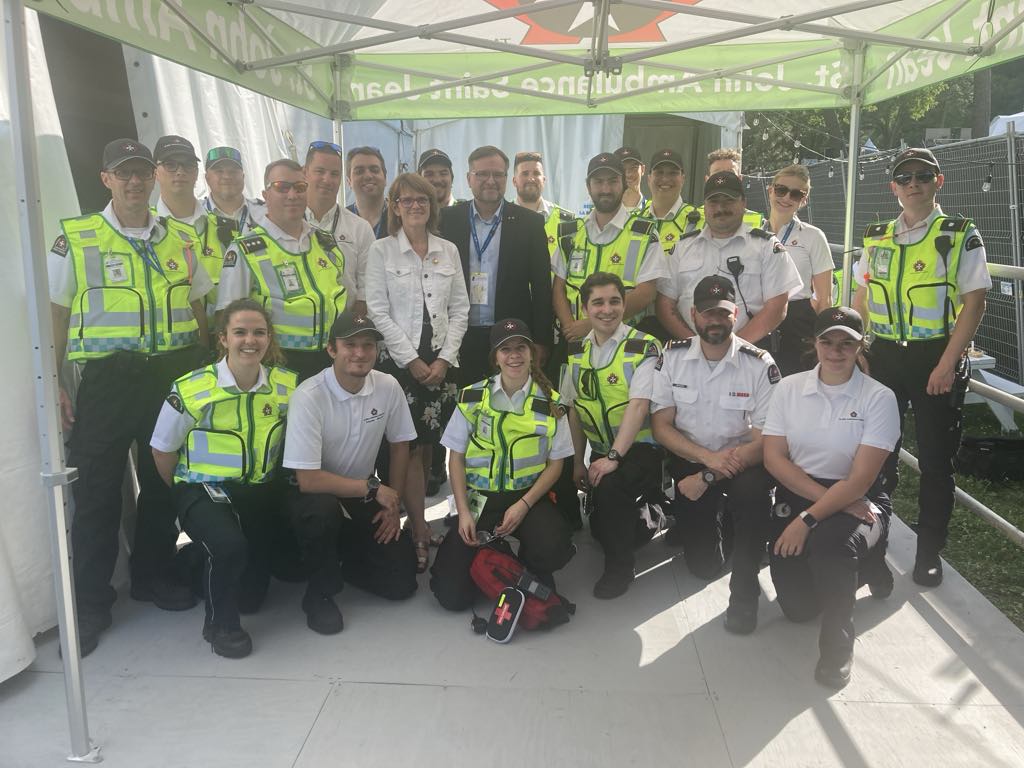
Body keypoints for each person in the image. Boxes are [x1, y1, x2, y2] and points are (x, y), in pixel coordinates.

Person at [48, 138, 213, 655]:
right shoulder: (77, 237)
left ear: (156, 177)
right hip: (107, 380)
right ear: (106, 179)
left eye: (143, 173)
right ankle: (90, 604)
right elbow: (57, 312)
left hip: (170, 374)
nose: (135, 182)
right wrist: (51, 379)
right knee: (97, 489)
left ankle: (152, 575)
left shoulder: (181, 238)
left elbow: (199, 309)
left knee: (163, 482)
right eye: (125, 174)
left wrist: (206, 376)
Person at [853, 147, 990, 587]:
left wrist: (949, 362)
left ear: (938, 182)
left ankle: (929, 552)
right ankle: (875, 543)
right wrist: (857, 346)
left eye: (923, 176)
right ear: (893, 187)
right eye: (905, 177)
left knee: (934, 463)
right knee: (878, 457)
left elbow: (974, 303)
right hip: (885, 357)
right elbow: (860, 296)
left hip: (935, 357)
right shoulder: (875, 236)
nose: (914, 183)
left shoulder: (958, 233)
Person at [760, 307, 899, 689]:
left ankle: (837, 653)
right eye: (827, 341)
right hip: (805, 488)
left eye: (846, 343)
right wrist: (818, 507)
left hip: (861, 497)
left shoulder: (879, 398)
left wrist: (808, 520)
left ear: (860, 346)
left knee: (831, 548)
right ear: (814, 342)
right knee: (798, 610)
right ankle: (865, 567)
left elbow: (859, 481)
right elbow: (774, 458)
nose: (835, 351)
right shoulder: (789, 389)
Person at [150, 299, 296, 658]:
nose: (250, 340)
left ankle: (195, 561)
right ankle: (220, 625)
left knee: (252, 597)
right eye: (240, 332)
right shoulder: (192, 388)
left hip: (256, 492)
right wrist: (187, 497)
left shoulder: (287, 387)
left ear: (269, 337)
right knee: (229, 545)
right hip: (201, 488)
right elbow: (162, 451)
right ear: (223, 338)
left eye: (259, 332)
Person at [283, 311, 419, 634]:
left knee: (402, 581)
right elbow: (308, 479)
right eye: (350, 345)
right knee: (323, 512)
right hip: (312, 496)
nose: (360, 353)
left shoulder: (388, 386)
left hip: (359, 493)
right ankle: (319, 595)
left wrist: (392, 504)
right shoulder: (309, 396)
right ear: (332, 349)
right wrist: (374, 489)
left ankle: (341, 559)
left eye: (368, 345)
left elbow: (401, 446)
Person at [430, 319, 576, 610]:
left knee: (551, 546)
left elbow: (556, 466)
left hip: (527, 498)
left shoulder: (552, 404)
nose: (514, 355)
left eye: (521, 347)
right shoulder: (472, 398)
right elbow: (455, 458)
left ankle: (519, 562)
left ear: (532, 352)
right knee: (451, 597)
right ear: (495, 357)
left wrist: (523, 505)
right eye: (505, 349)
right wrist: (463, 513)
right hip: (480, 498)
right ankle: (496, 553)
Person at [365, 172, 470, 572]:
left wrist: (444, 358)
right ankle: (417, 527)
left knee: (427, 446)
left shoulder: (448, 250)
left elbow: (461, 309)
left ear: (433, 206)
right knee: (404, 447)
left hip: (441, 361)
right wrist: (412, 360)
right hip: (399, 362)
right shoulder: (381, 251)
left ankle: (421, 521)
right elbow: (377, 310)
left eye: (422, 200)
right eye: (406, 200)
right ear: (394, 206)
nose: (414, 206)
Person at [650, 276, 779, 584]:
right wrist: (707, 459)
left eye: (723, 313)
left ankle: (742, 516)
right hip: (692, 461)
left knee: (750, 493)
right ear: (693, 314)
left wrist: (711, 474)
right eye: (708, 313)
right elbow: (661, 427)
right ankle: (716, 512)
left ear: (735, 314)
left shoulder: (760, 365)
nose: (715, 321)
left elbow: (765, 442)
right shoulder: (672, 357)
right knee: (704, 566)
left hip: (743, 463)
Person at [562, 273, 662, 598]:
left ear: (624, 304)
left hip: (641, 450)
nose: (608, 310)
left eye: (615, 301)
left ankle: (620, 568)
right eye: (598, 302)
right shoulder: (576, 350)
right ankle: (649, 515)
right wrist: (578, 462)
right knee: (601, 530)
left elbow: (638, 408)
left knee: (610, 488)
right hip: (602, 450)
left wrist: (613, 459)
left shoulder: (643, 346)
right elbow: (574, 410)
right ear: (585, 307)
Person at [217, 158, 349, 382]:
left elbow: (344, 298)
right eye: (282, 187)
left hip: (329, 361)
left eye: (299, 188)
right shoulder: (245, 249)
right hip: (277, 363)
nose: (292, 195)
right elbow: (227, 317)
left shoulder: (325, 243)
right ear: (265, 194)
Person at [439, 145, 553, 385]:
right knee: (464, 404)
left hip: (510, 338)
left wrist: (541, 340)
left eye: (497, 174)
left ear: (507, 179)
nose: (490, 181)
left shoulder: (529, 223)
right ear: (469, 179)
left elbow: (542, 287)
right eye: (481, 174)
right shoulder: (447, 220)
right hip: (459, 335)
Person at [655, 171, 801, 348]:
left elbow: (777, 307)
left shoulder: (766, 247)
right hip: (689, 353)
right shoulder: (682, 247)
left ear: (743, 203)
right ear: (705, 206)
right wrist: (696, 347)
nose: (720, 208)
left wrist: (733, 347)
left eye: (728, 201)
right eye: (714, 202)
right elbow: (665, 304)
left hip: (749, 353)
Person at [553, 152, 666, 342]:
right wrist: (570, 329)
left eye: (612, 181)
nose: (605, 189)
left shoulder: (645, 234)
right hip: (576, 343)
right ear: (588, 186)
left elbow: (646, 293)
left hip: (626, 343)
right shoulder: (570, 233)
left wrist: (592, 324)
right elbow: (558, 288)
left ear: (624, 184)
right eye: (598, 181)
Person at [766, 165, 833, 375]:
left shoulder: (813, 236)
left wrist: (824, 342)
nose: (786, 197)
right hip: (759, 316)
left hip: (797, 322)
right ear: (770, 190)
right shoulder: (753, 232)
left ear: (804, 200)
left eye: (796, 194)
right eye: (781, 190)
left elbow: (824, 299)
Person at [304, 140, 375, 318]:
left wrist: (347, 332)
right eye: (320, 171)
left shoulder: (360, 228)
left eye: (334, 174)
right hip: (300, 333)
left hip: (343, 333)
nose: (327, 180)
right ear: (304, 173)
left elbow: (368, 288)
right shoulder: (288, 223)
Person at [199, 146, 259, 320]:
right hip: (208, 321)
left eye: (234, 171)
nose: (227, 176)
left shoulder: (264, 213)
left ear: (243, 176)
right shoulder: (195, 217)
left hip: (257, 323)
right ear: (207, 177)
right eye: (219, 170)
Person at [511, 150, 577, 266]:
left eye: (536, 173)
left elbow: (570, 267)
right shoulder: (501, 217)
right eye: (525, 173)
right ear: (514, 181)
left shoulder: (567, 221)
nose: (531, 178)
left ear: (544, 180)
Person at [640, 148, 701, 251]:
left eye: (673, 173)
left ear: (683, 179)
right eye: (659, 172)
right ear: (649, 179)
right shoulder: (634, 220)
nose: (665, 179)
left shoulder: (700, 221)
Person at [692, 148, 766, 231]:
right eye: (717, 173)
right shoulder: (691, 219)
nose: (724, 178)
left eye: (730, 173)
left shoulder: (759, 222)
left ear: (740, 179)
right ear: (707, 180)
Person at [346, 145, 389, 239]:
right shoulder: (340, 221)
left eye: (374, 170)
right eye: (359, 171)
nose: (368, 176)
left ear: (385, 178)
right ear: (349, 181)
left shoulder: (401, 218)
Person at [614, 145, 646, 211]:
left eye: (634, 168)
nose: (628, 174)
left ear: (642, 169)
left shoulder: (655, 211)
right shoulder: (602, 214)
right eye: (622, 169)